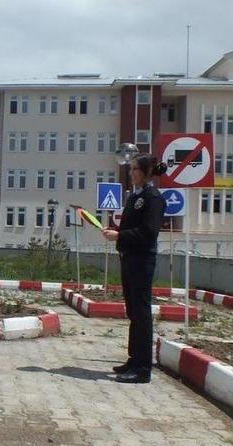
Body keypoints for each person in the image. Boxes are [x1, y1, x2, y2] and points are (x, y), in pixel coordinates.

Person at [101, 153, 167, 384]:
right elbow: (129, 227)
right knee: (132, 311)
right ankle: (134, 359)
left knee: (141, 312)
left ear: (147, 172)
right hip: (129, 258)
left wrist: (119, 235)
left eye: (135, 169)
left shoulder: (153, 198)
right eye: (130, 169)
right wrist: (117, 234)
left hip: (142, 260)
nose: (131, 173)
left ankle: (142, 369)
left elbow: (149, 232)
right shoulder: (133, 197)